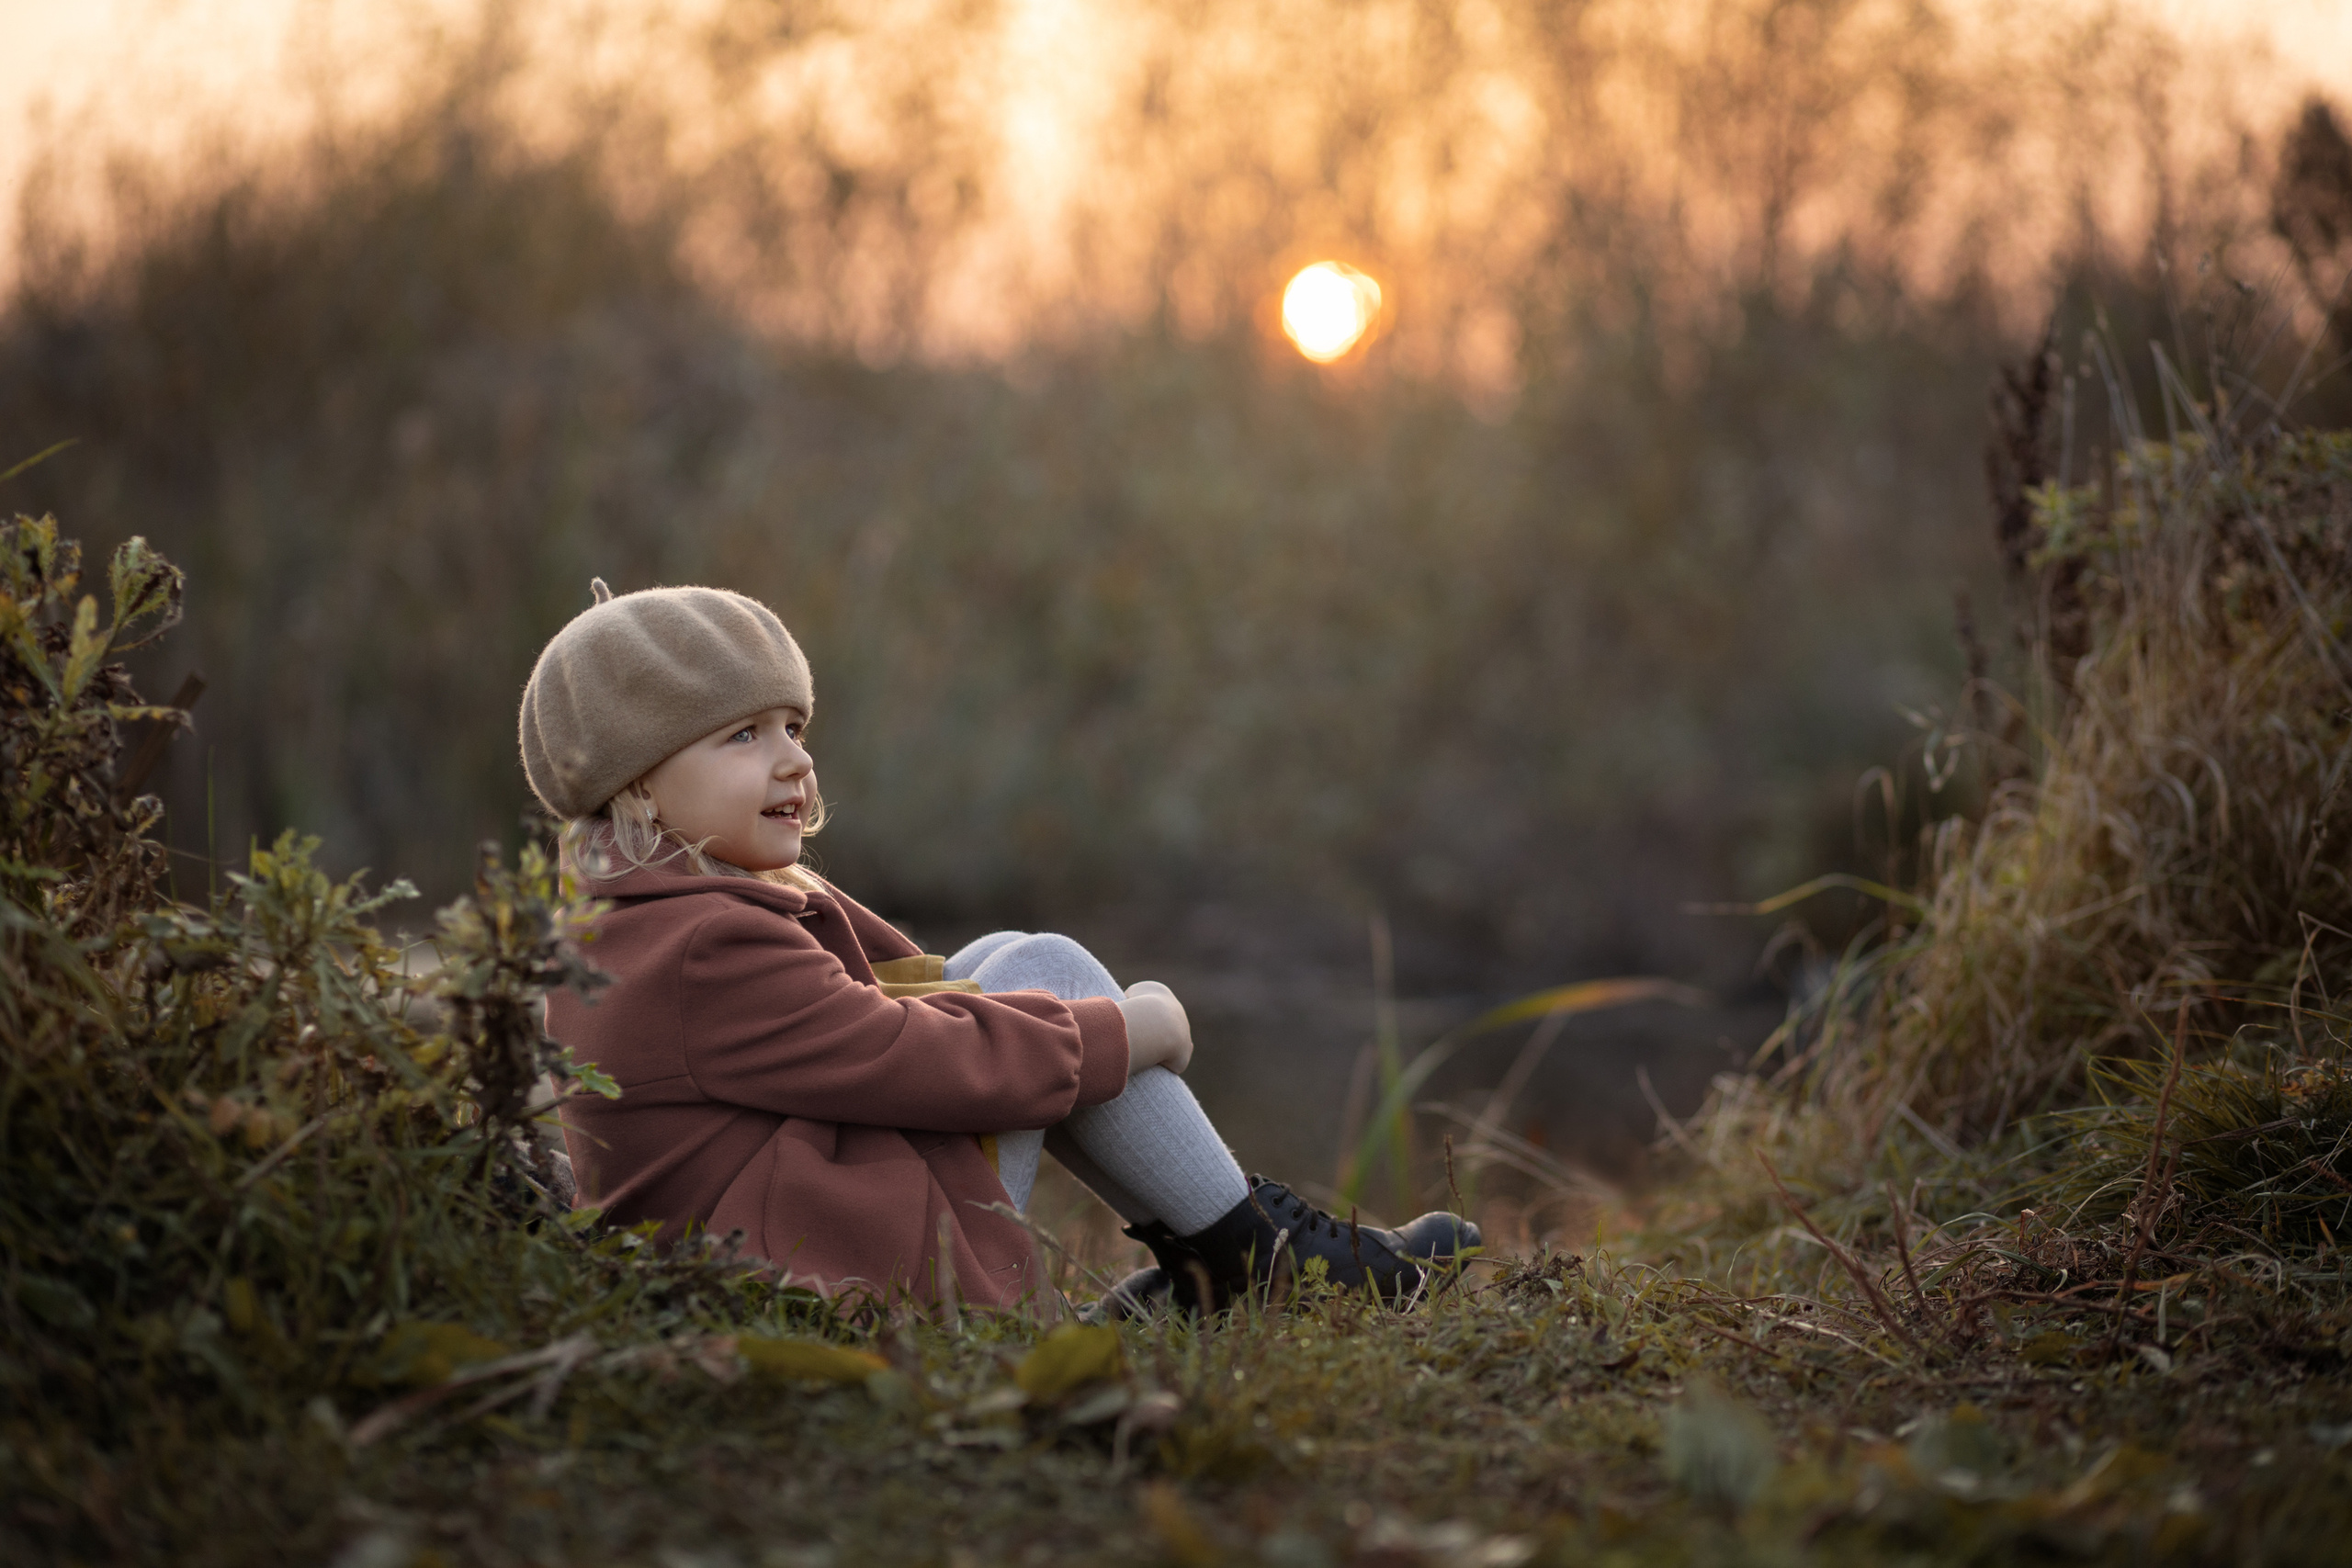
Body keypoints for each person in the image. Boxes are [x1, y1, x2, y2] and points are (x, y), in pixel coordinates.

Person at [520, 580, 1476, 1316]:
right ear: (636, 781)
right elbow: (911, 1054)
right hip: (812, 1285)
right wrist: (1131, 1031)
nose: (794, 761)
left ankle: (1232, 1258)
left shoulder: (644, 908)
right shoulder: (697, 945)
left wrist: (1010, 999)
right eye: (741, 735)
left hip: (774, 1240)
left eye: (794, 727)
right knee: (1039, 970)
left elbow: (900, 990)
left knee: (996, 960)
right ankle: (1258, 1261)